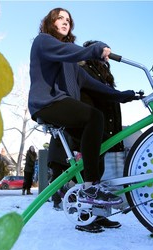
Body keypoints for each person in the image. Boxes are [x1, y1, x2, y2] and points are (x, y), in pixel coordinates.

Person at [28, 8, 138, 207]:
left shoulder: (72, 64)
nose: (65, 22)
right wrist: (97, 48)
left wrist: (123, 96)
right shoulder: (42, 41)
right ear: (49, 22)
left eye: (68, 20)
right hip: (46, 103)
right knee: (94, 117)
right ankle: (90, 187)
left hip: (60, 105)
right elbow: (70, 50)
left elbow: (92, 84)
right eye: (59, 18)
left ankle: (93, 206)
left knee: (101, 142)